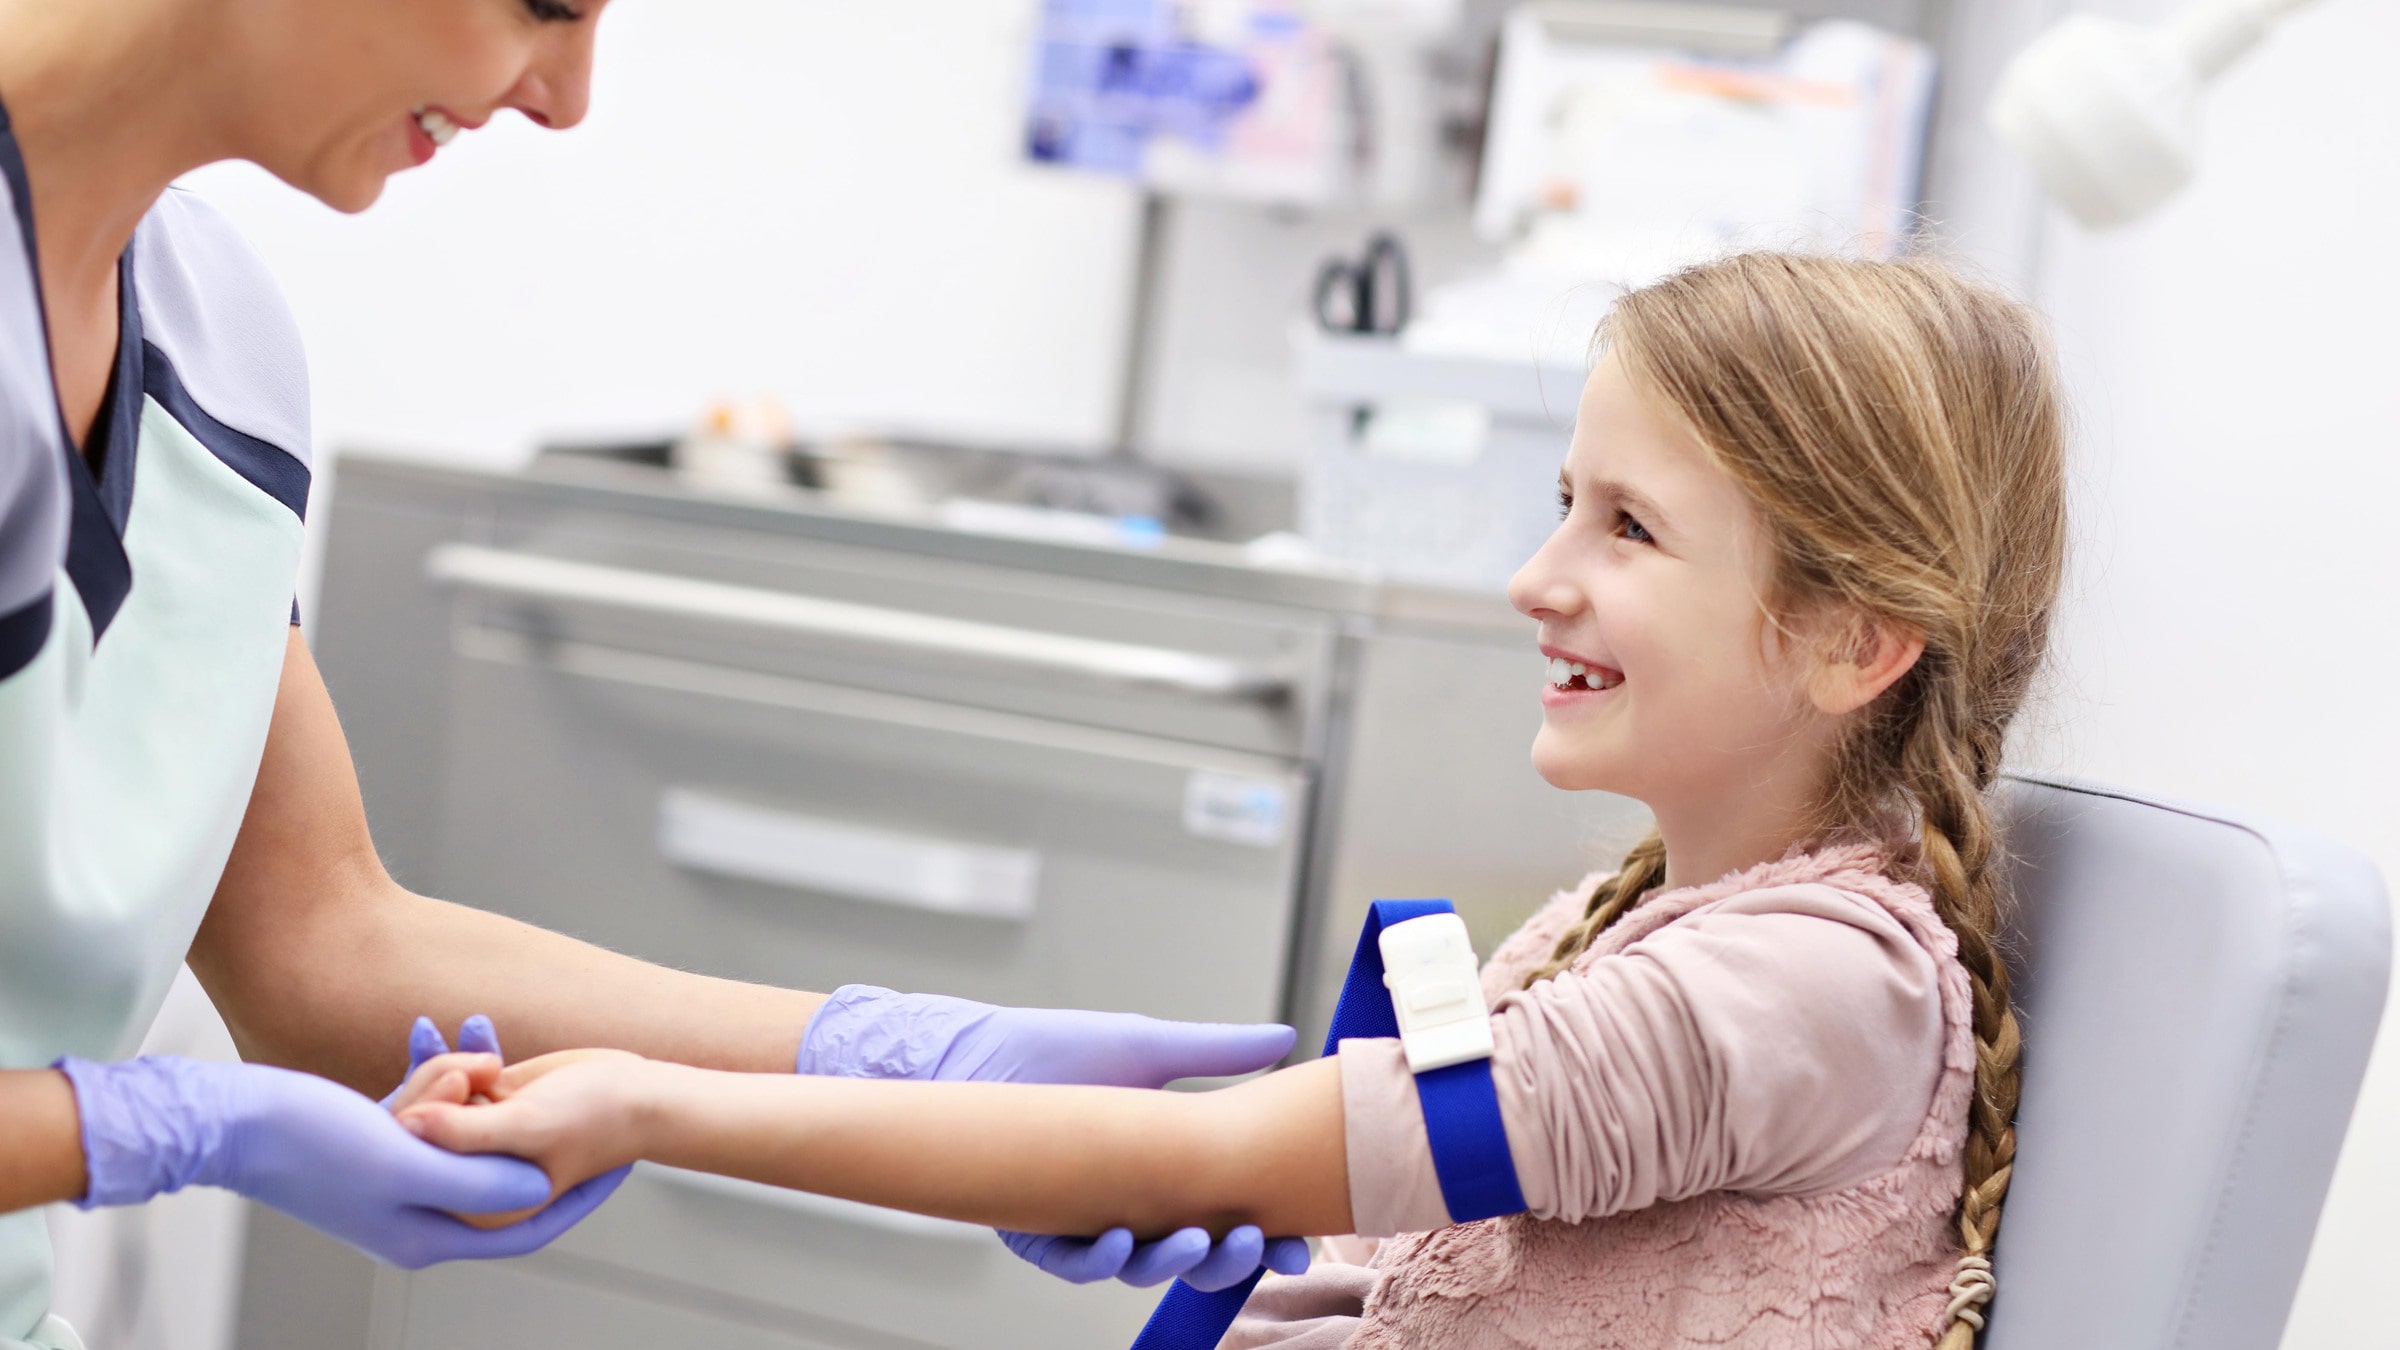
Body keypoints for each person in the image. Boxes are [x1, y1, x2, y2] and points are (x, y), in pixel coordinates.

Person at [395, 250, 2068, 1349]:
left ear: (1854, 638)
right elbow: (1415, 1258)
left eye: (1626, 528)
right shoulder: (1632, 923)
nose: (1531, 578)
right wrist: (1286, 1280)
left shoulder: (1806, 990)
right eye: (1564, 501)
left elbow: (1221, 1151)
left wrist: (645, 1102)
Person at [0, 1, 1304, 1344]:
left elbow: (321, 941)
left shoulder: (217, 351)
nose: (564, 98)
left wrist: (889, 1061)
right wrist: (164, 1129)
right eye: (547, 6)